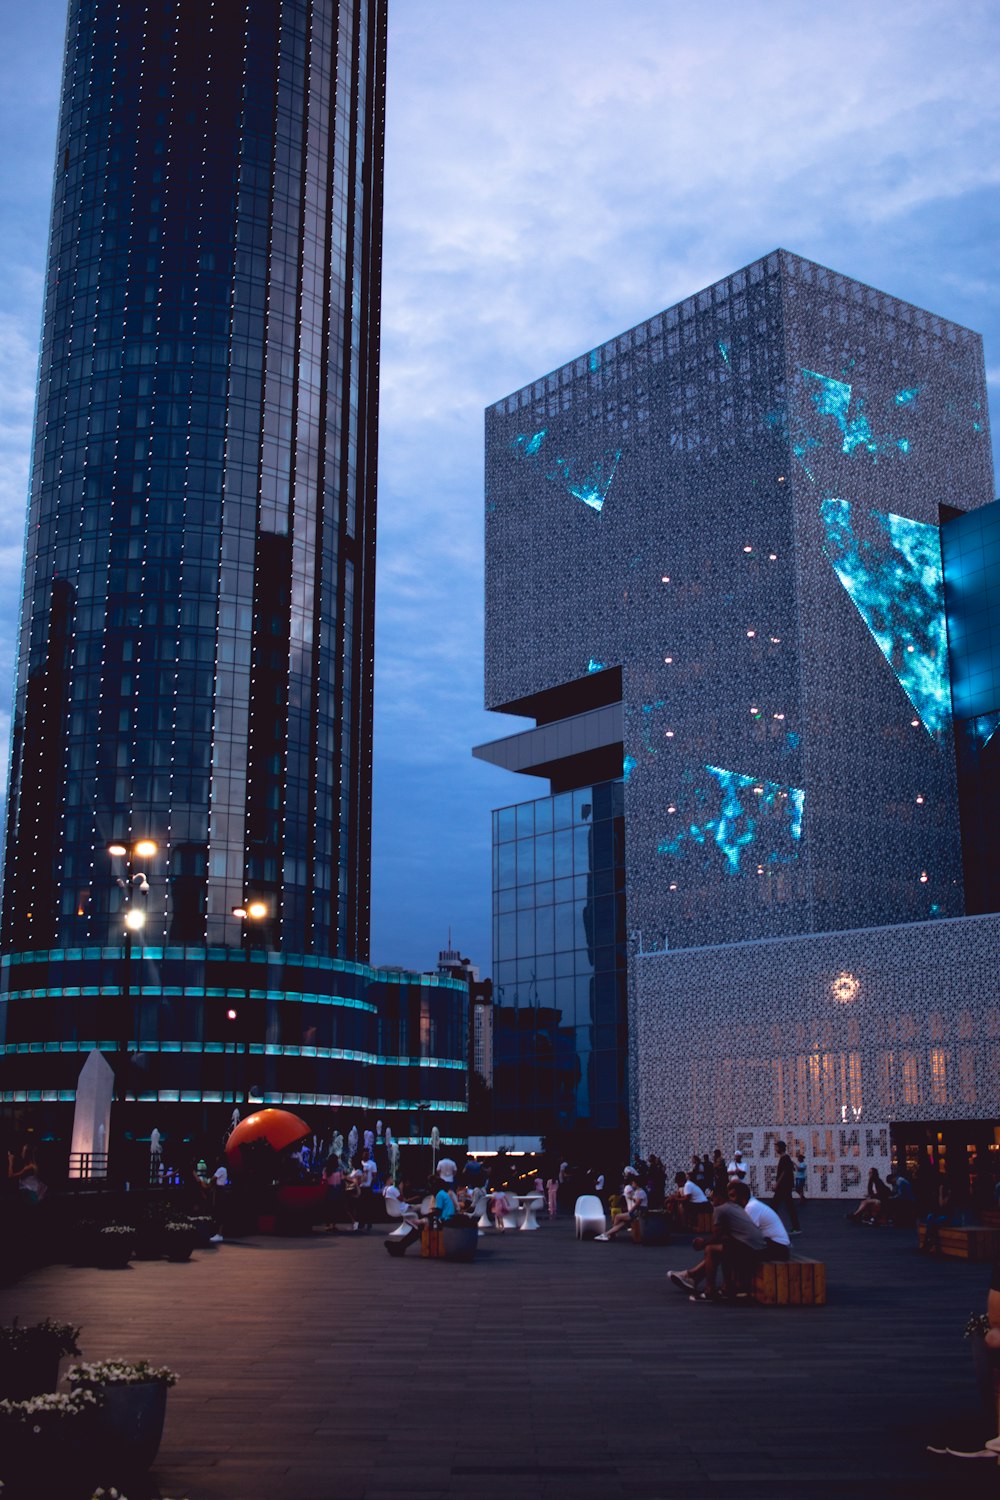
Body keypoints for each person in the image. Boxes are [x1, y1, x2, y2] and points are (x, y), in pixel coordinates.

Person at [667, 1185, 767, 1301]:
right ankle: (696, 1279)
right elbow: (725, 1236)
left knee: (710, 1249)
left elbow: (716, 1236)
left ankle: (709, 1291)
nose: (711, 1202)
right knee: (721, 1248)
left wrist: (702, 1243)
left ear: (718, 1197)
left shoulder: (721, 1209)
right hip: (759, 1248)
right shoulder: (734, 1207)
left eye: (712, 1198)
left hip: (751, 1250)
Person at [740, 1183, 790, 1260]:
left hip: (779, 1248)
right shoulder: (752, 1203)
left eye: (733, 1196)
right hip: (778, 1245)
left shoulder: (751, 1207)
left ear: (742, 1197)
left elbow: (748, 1232)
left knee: (743, 1254)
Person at [771, 1140, 801, 1234]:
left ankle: (770, 1227)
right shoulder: (785, 1158)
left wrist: (777, 1184)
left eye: (776, 1147)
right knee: (787, 1206)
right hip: (784, 1187)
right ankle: (796, 1227)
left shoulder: (785, 1158)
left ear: (780, 1148)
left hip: (783, 1187)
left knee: (775, 1206)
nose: (775, 1149)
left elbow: (783, 1173)